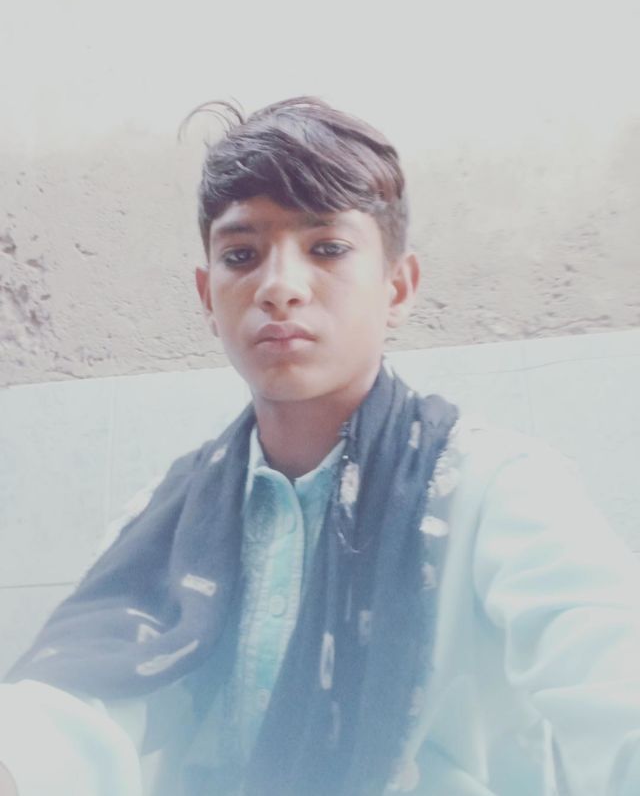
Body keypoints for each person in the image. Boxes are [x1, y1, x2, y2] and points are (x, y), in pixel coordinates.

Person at [2, 97, 640, 796]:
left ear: (399, 286)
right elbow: (76, 702)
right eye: (241, 255)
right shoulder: (160, 519)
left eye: (327, 248)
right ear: (207, 297)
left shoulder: (496, 489)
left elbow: (611, 678)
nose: (279, 287)